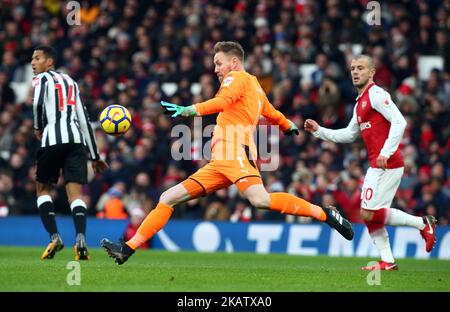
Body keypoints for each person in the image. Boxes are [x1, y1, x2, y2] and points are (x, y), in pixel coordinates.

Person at [101, 41, 354, 264]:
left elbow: (222, 102)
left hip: (235, 152)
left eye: (218, 63)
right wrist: (287, 125)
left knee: (260, 200)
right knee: (168, 197)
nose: (215, 69)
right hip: (219, 162)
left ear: (234, 62)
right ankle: (128, 248)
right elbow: (271, 112)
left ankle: (325, 214)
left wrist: (190, 110)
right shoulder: (254, 86)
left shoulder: (237, 78)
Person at [304, 55, 437, 271]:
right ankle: (387, 260)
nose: (355, 72)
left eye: (360, 68)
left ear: (371, 72)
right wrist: (319, 131)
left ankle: (422, 224)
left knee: (369, 213)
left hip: (389, 163)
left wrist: (386, 152)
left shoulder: (376, 94)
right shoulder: (360, 104)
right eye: (353, 68)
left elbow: (399, 122)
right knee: (368, 214)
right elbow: (349, 134)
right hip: (376, 165)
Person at [31, 45, 108, 260]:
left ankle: (54, 237)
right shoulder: (72, 83)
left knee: (43, 189)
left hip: (52, 140)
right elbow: (84, 120)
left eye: (37, 58)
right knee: (76, 194)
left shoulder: (41, 80)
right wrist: (95, 156)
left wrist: (37, 126)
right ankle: (81, 238)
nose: (33, 63)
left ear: (49, 62)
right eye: (32, 59)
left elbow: (37, 103)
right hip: (75, 141)